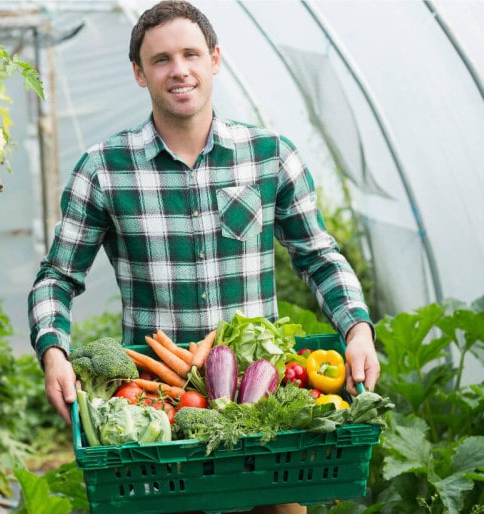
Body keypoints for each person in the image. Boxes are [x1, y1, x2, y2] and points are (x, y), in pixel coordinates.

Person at [28, 2, 380, 512]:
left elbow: (319, 257)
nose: (179, 70)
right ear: (139, 73)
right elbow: (56, 277)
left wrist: (358, 330)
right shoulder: (104, 170)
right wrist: (54, 352)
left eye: (191, 54)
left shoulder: (269, 156)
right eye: (161, 59)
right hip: (159, 406)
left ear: (215, 59)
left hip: (265, 400)